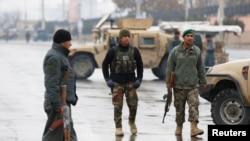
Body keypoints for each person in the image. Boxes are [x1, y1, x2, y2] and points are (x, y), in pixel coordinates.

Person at [165, 29, 207, 137]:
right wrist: (168, 82)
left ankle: (194, 128)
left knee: (194, 106)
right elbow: (169, 67)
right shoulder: (175, 51)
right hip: (178, 85)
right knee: (179, 108)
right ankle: (179, 127)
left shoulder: (197, 51)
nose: (190, 38)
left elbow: (200, 67)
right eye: (188, 36)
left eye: (192, 36)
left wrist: (203, 80)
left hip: (193, 85)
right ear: (183, 38)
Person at [102, 29, 143, 136]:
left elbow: (140, 65)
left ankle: (132, 122)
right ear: (120, 38)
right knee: (117, 106)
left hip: (130, 82)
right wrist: (108, 79)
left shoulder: (134, 51)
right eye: (124, 36)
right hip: (117, 83)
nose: (126, 38)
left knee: (133, 105)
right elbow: (104, 65)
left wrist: (139, 79)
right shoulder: (113, 51)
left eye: (128, 36)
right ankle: (118, 127)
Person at [42, 29, 78, 141]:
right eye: (69, 41)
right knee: (54, 136)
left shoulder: (60, 55)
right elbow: (51, 83)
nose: (71, 44)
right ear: (62, 42)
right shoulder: (55, 57)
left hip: (63, 102)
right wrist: (58, 105)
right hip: (57, 104)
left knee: (67, 134)